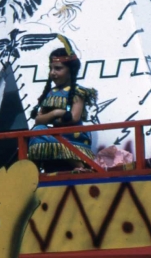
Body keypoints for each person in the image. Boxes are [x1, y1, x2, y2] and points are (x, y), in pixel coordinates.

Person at [28, 38, 98, 172]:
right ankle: (34, 171)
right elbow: (38, 119)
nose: (52, 73)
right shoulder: (49, 93)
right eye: (51, 68)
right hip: (54, 135)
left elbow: (74, 117)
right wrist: (56, 113)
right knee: (37, 131)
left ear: (70, 70)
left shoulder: (78, 92)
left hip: (73, 137)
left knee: (42, 131)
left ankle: (79, 166)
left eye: (58, 68)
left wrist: (52, 118)